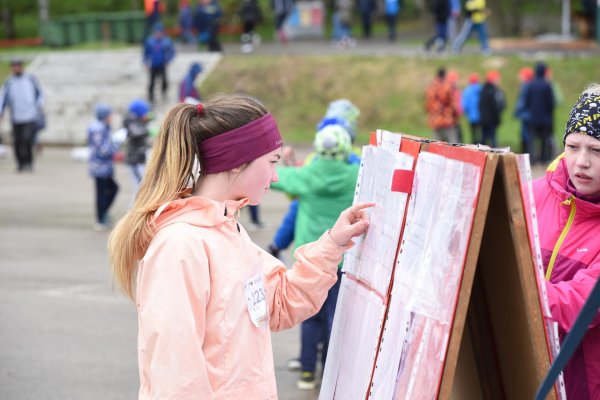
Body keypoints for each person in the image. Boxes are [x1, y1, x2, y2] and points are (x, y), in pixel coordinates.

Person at [107, 94, 373, 399]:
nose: (275, 176)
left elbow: (278, 303)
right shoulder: (180, 246)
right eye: (271, 162)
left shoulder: (227, 230)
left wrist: (333, 243)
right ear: (236, 162)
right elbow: (176, 378)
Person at [269, 124, 360, 390]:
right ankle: (330, 371)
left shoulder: (306, 176)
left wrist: (285, 164)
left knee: (310, 316)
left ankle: (306, 371)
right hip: (343, 258)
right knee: (336, 317)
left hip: (311, 259)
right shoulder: (356, 175)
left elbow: (279, 177)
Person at [533, 83, 600, 399]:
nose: (581, 162)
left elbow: (582, 304)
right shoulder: (529, 195)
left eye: (597, 150)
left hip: (582, 387)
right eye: (573, 147)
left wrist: (511, 287)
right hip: (525, 371)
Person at [0, 57, 44, 172]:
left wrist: (39, 106)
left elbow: (40, 94)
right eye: (14, 66)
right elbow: (3, 98)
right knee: (17, 141)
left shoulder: (30, 79)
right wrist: (1, 112)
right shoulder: (9, 82)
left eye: (18, 66)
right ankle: (20, 163)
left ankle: (28, 162)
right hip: (16, 117)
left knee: (27, 140)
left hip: (30, 115)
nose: (16, 68)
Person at [88, 103, 120, 231]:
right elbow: (102, 149)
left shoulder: (103, 127)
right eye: (109, 115)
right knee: (102, 192)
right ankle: (101, 218)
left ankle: (104, 214)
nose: (111, 117)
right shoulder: (98, 129)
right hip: (99, 167)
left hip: (105, 166)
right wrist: (115, 146)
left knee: (112, 188)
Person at [524, 62, 555, 164]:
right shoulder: (547, 85)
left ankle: (532, 160)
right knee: (544, 139)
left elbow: (526, 101)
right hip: (545, 118)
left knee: (531, 140)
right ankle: (543, 158)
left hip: (533, 118)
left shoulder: (530, 85)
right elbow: (551, 103)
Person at [123, 99, 151, 192]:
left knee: (142, 184)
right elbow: (136, 132)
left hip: (140, 158)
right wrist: (148, 131)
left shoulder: (138, 120)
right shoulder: (130, 121)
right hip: (134, 159)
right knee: (139, 186)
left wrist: (146, 121)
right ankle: (135, 205)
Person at [143, 23, 176, 103]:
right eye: (156, 32)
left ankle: (164, 93)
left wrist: (168, 60)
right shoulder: (150, 41)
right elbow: (145, 53)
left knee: (164, 81)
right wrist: (145, 62)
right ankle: (151, 97)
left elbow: (172, 51)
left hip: (162, 64)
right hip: (153, 64)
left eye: (159, 32)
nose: (158, 34)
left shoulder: (166, 41)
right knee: (152, 81)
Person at [425, 67, 459, 143]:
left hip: (435, 120)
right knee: (452, 145)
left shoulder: (430, 88)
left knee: (435, 146)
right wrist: (456, 115)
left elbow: (427, 104)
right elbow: (452, 103)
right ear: (445, 75)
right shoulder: (447, 87)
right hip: (447, 120)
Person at [478, 70, 505, 147]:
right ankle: (494, 155)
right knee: (493, 138)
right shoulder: (494, 90)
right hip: (492, 119)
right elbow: (496, 106)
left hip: (484, 119)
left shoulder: (483, 89)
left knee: (483, 138)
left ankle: (480, 155)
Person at [513, 66, 534, 155]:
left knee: (526, 135)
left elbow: (522, 101)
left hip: (526, 115)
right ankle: (529, 153)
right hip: (531, 114)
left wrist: (516, 111)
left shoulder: (525, 86)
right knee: (528, 135)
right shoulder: (531, 85)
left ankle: (527, 154)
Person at [461, 72, 482, 144]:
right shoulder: (481, 88)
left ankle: (474, 147)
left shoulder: (467, 90)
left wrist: (465, 112)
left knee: (473, 134)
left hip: (471, 116)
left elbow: (465, 104)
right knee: (481, 134)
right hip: (481, 115)